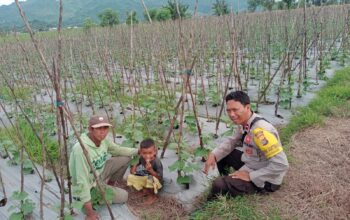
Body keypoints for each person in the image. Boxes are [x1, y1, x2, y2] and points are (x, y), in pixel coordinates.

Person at [204, 91, 289, 200]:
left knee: (218, 184)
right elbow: (233, 141)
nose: (231, 114)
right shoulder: (246, 122)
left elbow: (281, 165)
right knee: (223, 154)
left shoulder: (261, 131)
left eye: (235, 110)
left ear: (247, 107)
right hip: (253, 163)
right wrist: (214, 154)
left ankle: (217, 195)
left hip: (266, 180)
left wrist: (251, 176)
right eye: (229, 111)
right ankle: (229, 182)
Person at [69, 115, 138, 220]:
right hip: (89, 184)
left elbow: (117, 150)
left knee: (125, 158)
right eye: (99, 128)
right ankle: (95, 197)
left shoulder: (104, 140)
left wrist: (138, 151)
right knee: (124, 196)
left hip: (98, 173)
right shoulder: (81, 150)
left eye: (105, 128)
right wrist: (90, 214)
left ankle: (109, 185)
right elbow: (81, 182)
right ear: (91, 129)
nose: (103, 132)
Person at [127, 138, 163, 205]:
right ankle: (145, 191)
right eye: (144, 153)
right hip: (147, 177)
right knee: (131, 177)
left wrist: (151, 170)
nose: (147, 156)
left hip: (156, 182)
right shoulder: (141, 158)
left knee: (150, 179)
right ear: (140, 152)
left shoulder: (157, 162)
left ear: (155, 151)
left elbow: (159, 178)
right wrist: (136, 163)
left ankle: (153, 196)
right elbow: (132, 172)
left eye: (150, 153)